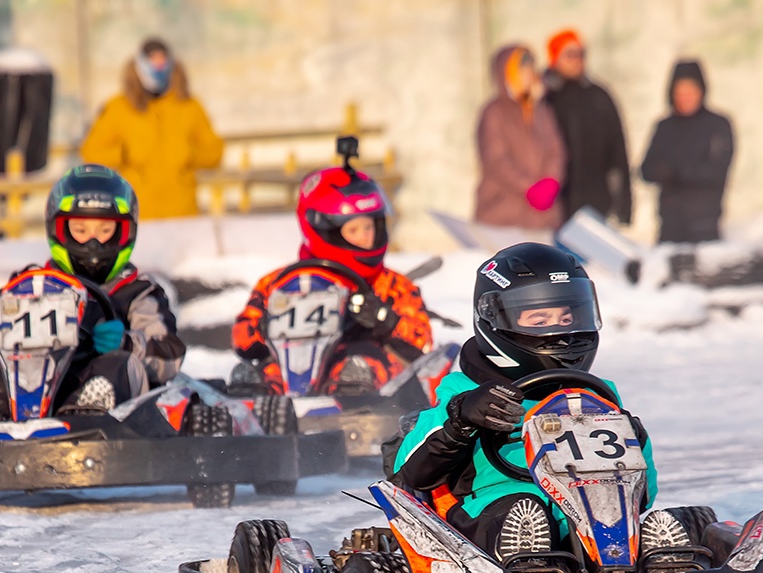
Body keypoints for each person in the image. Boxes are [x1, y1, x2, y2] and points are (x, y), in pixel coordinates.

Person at [391, 242, 672, 563]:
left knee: (681, 520)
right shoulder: (462, 390)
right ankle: (530, 562)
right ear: (494, 318)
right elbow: (408, 473)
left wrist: (634, 435)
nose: (561, 334)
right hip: (489, 518)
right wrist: (461, 419)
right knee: (525, 510)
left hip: (591, 518)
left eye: (567, 319)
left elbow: (644, 491)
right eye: (540, 322)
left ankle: (673, 560)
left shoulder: (597, 395)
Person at [0, 165, 185, 421]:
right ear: (59, 230)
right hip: (33, 385)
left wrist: (127, 344)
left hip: (106, 398)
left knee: (119, 365)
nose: (93, 243)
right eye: (81, 231)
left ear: (123, 232)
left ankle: (87, 414)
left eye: (104, 231)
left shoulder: (138, 292)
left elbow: (169, 357)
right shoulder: (33, 283)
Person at [231, 155, 433, 395]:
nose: (365, 238)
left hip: (362, 380)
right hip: (290, 375)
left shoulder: (390, 285)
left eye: (369, 227)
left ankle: (349, 405)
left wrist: (383, 320)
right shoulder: (278, 283)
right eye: (354, 230)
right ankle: (253, 408)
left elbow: (423, 343)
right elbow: (241, 337)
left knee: (358, 368)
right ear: (328, 231)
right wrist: (263, 326)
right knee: (260, 375)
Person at [80, 37, 223, 220]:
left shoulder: (189, 106)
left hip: (183, 212)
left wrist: (189, 154)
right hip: (139, 213)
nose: (158, 69)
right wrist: (123, 155)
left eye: (162, 62)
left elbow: (215, 151)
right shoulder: (119, 108)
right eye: (152, 62)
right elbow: (91, 152)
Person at [542, 29, 633, 225]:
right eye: (570, 54)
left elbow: (618, 151)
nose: (577, 60)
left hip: (596, 204)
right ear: (554, 58)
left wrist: (623, 204)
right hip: (554, 207)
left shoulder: (599, 97)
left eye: (581, 54)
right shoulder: (544, 99)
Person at [640, 59, 734, 244]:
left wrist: (677, 172)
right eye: (679, 92)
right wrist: (662, 171)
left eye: (690, 91)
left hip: (705, 226)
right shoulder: (664, 127)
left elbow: (716, 171)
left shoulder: (718, 125)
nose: (685, 97)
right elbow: (645, 170)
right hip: (669, 227)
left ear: (701, 90)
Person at [474, 45, 566, 231]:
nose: (530, 73)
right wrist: (529, 188)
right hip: (502, 216)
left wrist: (550, 183)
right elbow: (496, 160)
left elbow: (556, 150)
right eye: (523, 68)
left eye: (531, 66)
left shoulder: (541, 110)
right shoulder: (494, 112)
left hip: (542, 218)